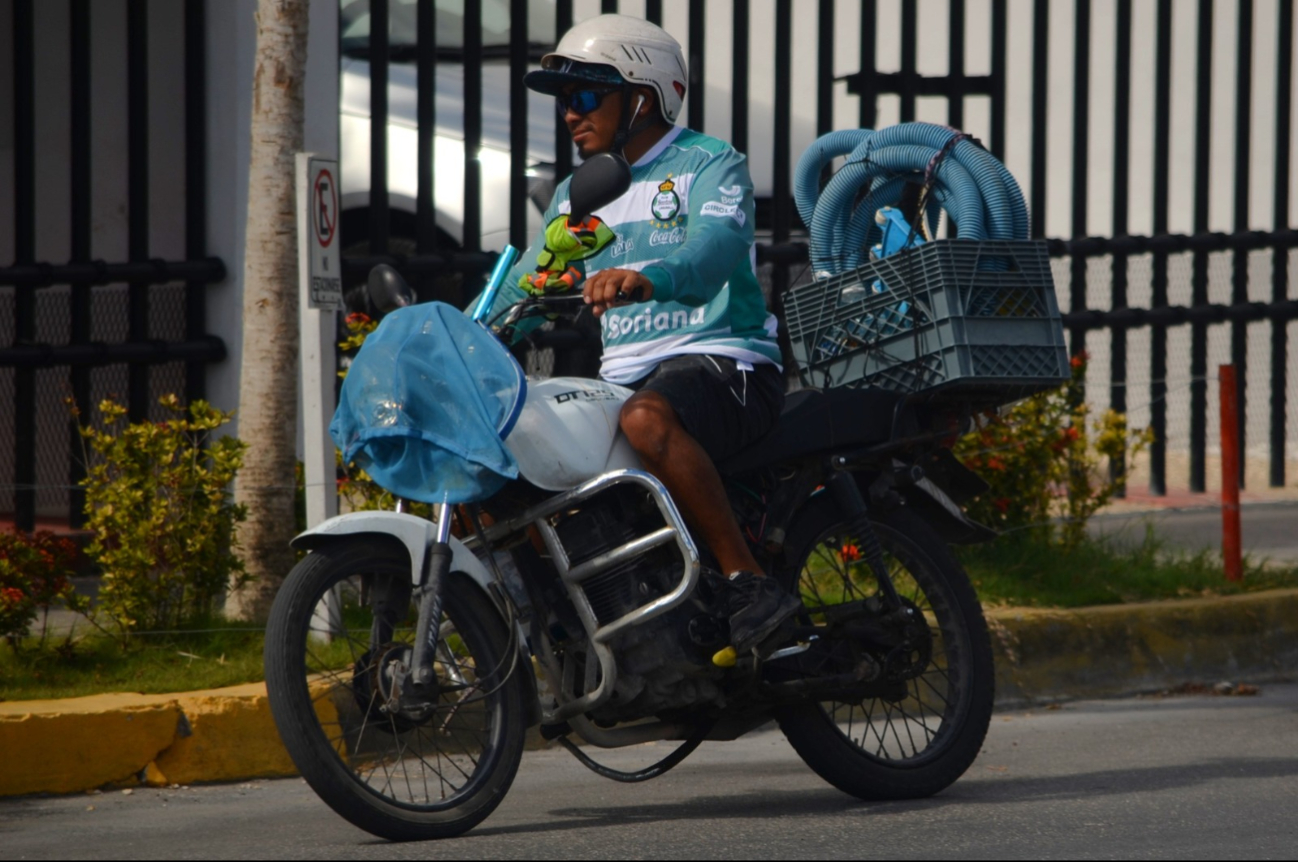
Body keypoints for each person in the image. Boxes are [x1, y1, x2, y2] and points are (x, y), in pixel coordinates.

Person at [485, 13, 799, 656]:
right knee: (518, 461)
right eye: (564, 102)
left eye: (584, 97)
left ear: (643, 95)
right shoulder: (578, 191)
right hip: (625, 379)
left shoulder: (708, 163)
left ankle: (749, 582)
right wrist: (475, 328)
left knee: (645, 421)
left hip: (722, 360)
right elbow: (531, 278)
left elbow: (715, 248)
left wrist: (649, 275)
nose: (570, 115)